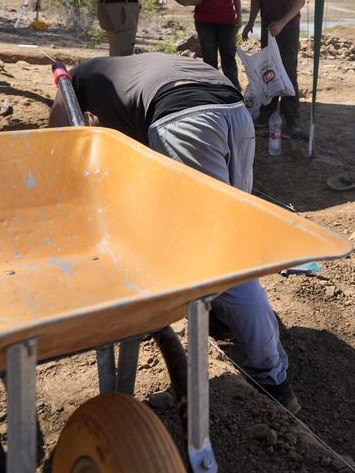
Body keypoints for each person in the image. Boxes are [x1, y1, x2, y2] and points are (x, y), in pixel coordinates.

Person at [49, 53, 300, 413]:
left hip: (183, 118)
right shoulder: (120, 72)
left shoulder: (72, 87)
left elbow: (61, 150)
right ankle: (227, 320)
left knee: (221, 259)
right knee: (235, 235)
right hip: (233, 109)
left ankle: (271, 378)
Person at [229, 0, 308, 139]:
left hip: (287, 27)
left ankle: (292, 120)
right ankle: (267, 114)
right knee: (269, 70)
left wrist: (281, 23)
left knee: (287, 71)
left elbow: (300, 0)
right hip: (269, 27)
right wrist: (250, 23)